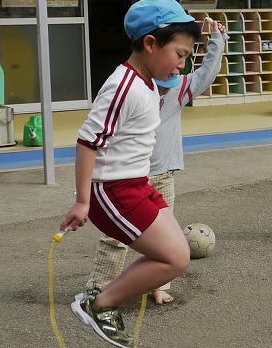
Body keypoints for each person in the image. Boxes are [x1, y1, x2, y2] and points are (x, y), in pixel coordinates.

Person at [59, 0, 200, 348]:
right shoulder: (124, 86)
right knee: (175, 257)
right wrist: (81, 202)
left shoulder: (148, 83)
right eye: (180, 55)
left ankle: (102, 298)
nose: (182, 65)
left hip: (139, 183)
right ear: (150, 44)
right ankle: (99, 303)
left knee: (176, 250)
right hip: (115, 191)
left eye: (187, 57)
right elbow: (87, 141)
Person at [85, 16, 227, 305]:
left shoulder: (179, 89)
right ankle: (98, 288)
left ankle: (158, 285)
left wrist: (217, 42)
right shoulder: (132, 87)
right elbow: (91, 138)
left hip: (161, 174)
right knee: (116, 238)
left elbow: (207, 72)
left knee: (166, 235)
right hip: (126, 180)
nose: (164, 84)